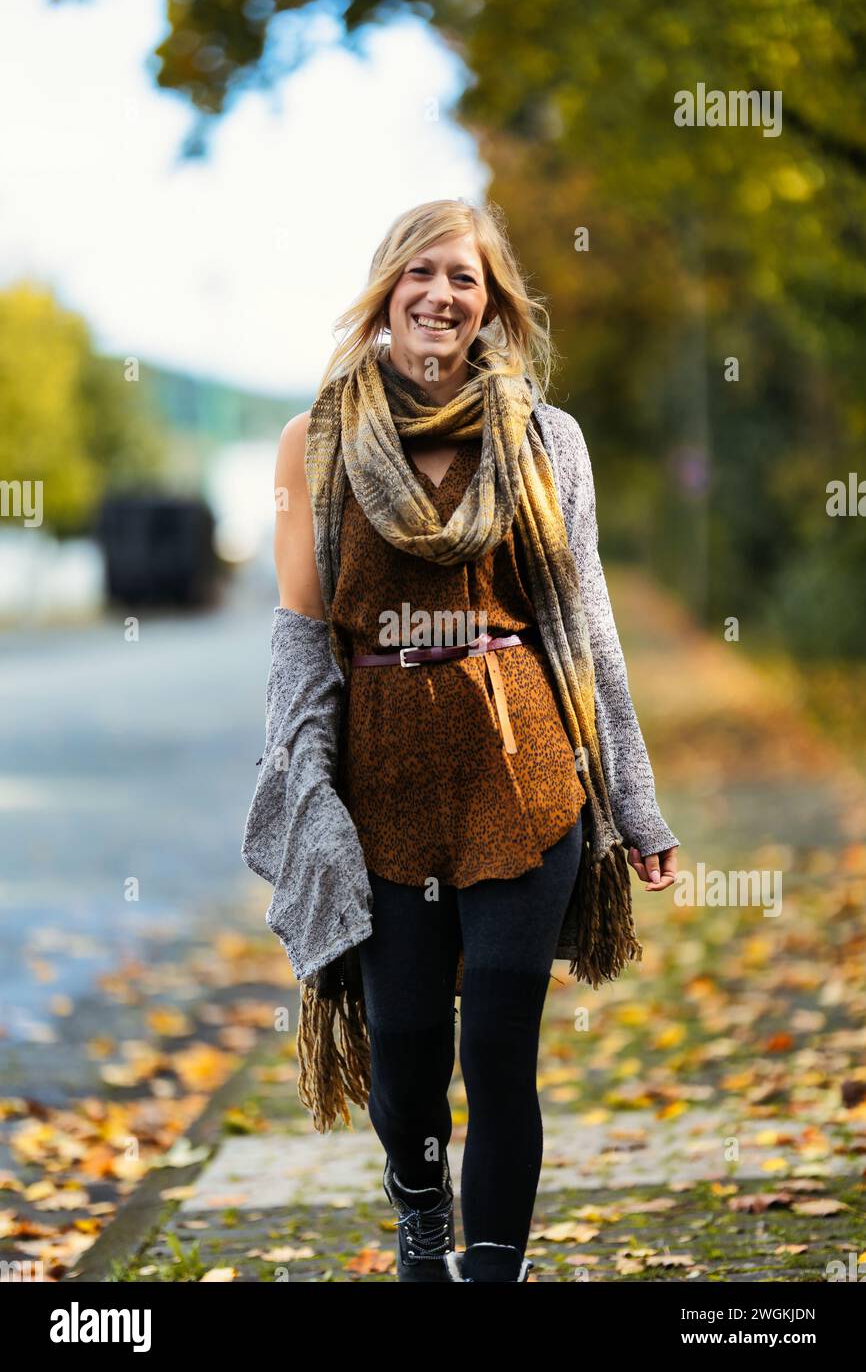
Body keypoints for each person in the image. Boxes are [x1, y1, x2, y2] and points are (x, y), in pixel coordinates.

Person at [254, 197, 679, 1284]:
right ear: (387, 287)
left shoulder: (544, 438)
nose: (442, 295)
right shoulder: (316, 442)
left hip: (522, 769)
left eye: (466, 280)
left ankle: (490, 1270)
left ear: (491, 307)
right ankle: (416, 1204)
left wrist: (633, 803)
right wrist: (297, 785)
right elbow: (302, 637)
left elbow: (585, 624)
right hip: (382, 786)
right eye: (423, 273)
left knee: (498, 1042)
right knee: (403, 1047)